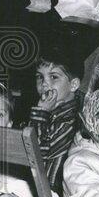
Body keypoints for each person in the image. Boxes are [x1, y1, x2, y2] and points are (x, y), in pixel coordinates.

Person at [27, 47, 82, 189]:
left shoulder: (72, 120)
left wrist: (41, 113)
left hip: (53, 193)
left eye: (53, 77)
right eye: (40, 76)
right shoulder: (47, 111)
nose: (44, 83)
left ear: (73, 85)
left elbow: (35, 155)